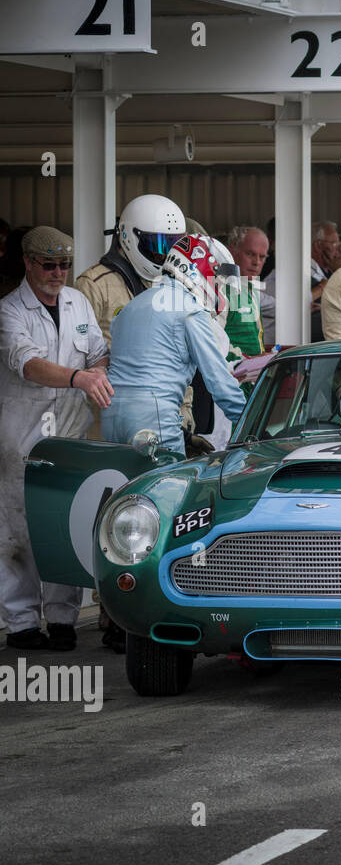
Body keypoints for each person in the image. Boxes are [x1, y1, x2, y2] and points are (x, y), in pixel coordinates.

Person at [0, 227, 112, 651]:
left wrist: (97, 370)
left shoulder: (77, 301)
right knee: (19, 529)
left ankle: (64, 619)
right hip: (21, 437)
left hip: (70, 431)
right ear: (28, 262)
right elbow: (27, 364)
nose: (59, 272)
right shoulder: (10, 311)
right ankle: (22, 623)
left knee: (66, 522)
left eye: (64, 264)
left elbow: (98, 349)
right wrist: (78, 378)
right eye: (49, 264)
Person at [102, 235, 247, 456]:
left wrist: (185, 436)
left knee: (122, 487)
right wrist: (253, 422)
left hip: (111, 417)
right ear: (201, 269)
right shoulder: (189, 309)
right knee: (167, 488)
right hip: (154, 418)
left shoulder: (134, 304)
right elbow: (220, 382)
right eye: (217, 279)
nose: (219, 287)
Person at [75, 193, 186, 346]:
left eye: (171, 245)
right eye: (157, 246)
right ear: (127, 236)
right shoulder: (94, 285)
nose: (164, 255)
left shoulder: (177, 283)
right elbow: (79, 346)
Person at [226, 225, 269, 354]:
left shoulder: (251, 287)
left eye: (262, 257)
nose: (256, 262)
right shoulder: (219, 288)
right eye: (250, 254)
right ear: (232, 252)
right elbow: (210, 343)